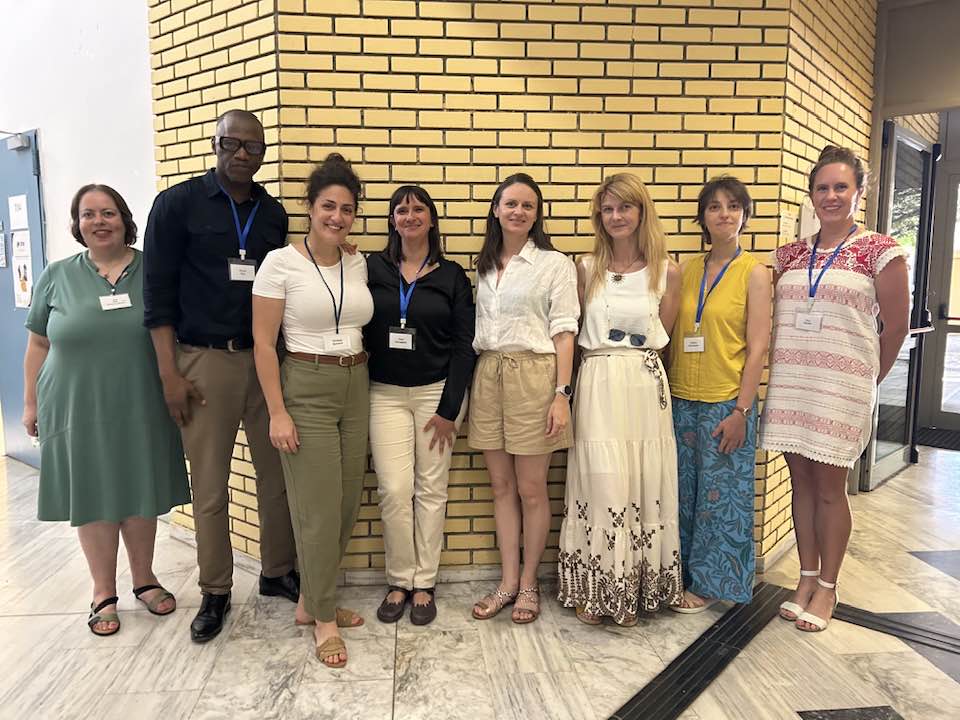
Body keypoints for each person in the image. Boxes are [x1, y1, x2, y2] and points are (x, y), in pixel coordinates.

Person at [143, 109, 299, 644]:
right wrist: (170, 374)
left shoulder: (272, 215)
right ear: (216, 144)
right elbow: (156, 298)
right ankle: (215, 590)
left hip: (265, 361)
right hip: (202, 361)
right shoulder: (177, 205)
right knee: (210, 486)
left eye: (253, 147)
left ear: (262, 154)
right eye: (232, 144)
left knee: (275, 476)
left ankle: (278, 572)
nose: (242, 154)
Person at [22, 184, 190, 636]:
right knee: (93, 492)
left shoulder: (152, 270)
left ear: (125, 219)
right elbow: (38, 341)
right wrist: (30, 401)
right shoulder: (56, 274)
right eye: (88, 214)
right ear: (76, 224)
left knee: (140, 488)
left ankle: (145, 580)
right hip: (75, 402)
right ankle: (102, 591)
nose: (99, 222)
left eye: (109, 213)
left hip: (141, 399)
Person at [760, 145, 910, 632]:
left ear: (859, 192)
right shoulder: (790, 254)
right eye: (822, 188)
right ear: (811, 194)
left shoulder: (880, 251)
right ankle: (804, 578)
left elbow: (896, 328)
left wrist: (868, 380)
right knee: (799, 483)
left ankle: (828, 586)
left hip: (839, 388)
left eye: (840, 187)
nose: (830, 196)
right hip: (791, 385)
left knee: (830, 489)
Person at [252, 153, 372, 668]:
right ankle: (323, 620)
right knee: (318, 508)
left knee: (345, 503)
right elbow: (262, 343)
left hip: (356, 382)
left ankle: (310, 601)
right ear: (309, 207)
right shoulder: (280, 263)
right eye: (328, 206)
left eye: (347, 209)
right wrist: (278, 411)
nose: (337, 217)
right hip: (306, 384)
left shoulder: (356, 261)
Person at [557, 173, 683, 625]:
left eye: (624, 207)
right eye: (607, 209)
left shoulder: (667, 271)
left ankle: (638, 587)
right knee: (603, 479)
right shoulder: (584, 269)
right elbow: (571, 335)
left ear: (641, 211)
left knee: (642, 480)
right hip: (597, 379)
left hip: (644, 385)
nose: (616, 216)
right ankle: (598, 591)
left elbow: (663, 339)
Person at [468, 173, 578, 625]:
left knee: (532, 489)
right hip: (489, 373)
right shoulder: (484, 264)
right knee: (501, 487)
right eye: (510, 203)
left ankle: (530, 583)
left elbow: (565, 333)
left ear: (537, 214)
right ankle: (507, 581)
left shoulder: (555, 265)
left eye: (527, 206)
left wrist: (561, 395)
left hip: (535, 376)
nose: (518, 212)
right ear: (496, 209)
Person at [365, 186, 476, 626]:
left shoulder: (452, 277)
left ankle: (424, 582)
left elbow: (465, 347)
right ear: (393, 220)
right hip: (384, 394)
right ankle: (399, 579)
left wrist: (450, 409)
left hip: (436, 395)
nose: (410, 216)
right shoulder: (370, 267)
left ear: (431, 220)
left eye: (418, 209)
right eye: (401, 209)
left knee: (431, 491)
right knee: (394, 490)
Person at [666, 176, 772, 613]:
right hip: (679, 398)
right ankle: (681, 575)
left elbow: (759, 345)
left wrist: (742, 409)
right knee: (681, 493)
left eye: (732, 206)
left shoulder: (757, 273)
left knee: (719, 498)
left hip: (727, 402)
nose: (723, 214)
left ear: (745, 215)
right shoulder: (684, 269)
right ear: (703, 217)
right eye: (714, 206)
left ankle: (712, 584)